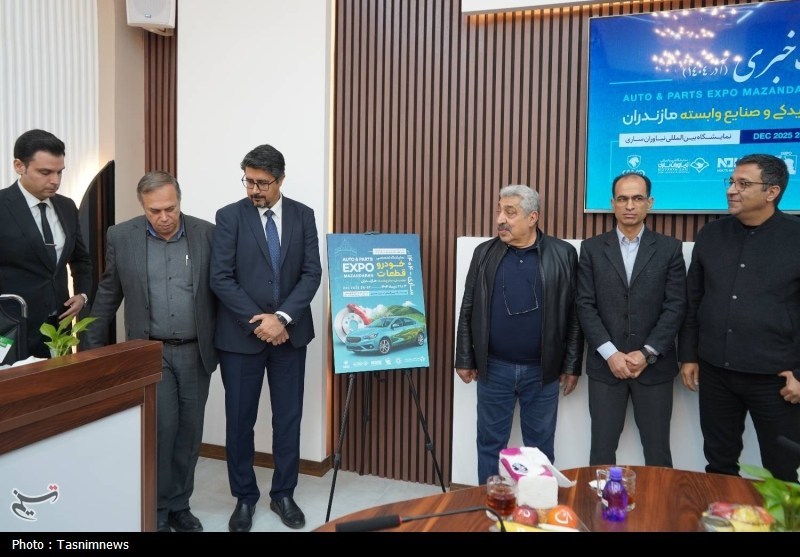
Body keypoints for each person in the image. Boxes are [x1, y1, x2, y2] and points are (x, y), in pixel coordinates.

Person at [85, 171, 217, 532]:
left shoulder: (206, 233)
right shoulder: (121, 236)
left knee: (189, 433)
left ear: (180, 201)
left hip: (195, 352)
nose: (164, 217)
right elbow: (109, 292)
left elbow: (223, 288)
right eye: (154, 211)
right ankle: (156, 509)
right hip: (149, 351)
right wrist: (91, 348)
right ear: (142, 206)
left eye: (170, 208)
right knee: (161, 431)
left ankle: (180, 506)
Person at [210, 144, 322, 531]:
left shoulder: (303, 215)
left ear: (281, 179)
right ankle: (244, 497)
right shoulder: (229, 217)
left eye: (263, 183)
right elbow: (221, 277)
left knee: (287, 419)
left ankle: (283, 494)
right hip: (241, 339)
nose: (254, 190)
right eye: (249, 181)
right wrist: (261, 322)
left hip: (290, 336)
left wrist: (283, 318)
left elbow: (311, 273)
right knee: (240, 421)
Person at [678, 153, 800, 482]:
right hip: (715, 372)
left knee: (783, 471)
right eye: (731, 182)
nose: (732, 190)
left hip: (776, 379)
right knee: (719, 465)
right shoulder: (711, 234)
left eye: (743, 184)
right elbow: (694, 299)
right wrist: (688, 355)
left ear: (772, 192)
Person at [454, 184, 583, 485]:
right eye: (499, 211)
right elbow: (469, 306)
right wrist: (464, 358)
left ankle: (537, 506)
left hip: (542, 372)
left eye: (510, 213)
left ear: (532, 217)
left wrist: (572, 365)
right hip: (493, 369)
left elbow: (574, 314)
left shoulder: (563, 254)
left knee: (540, 450)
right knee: (490, 444)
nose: (501, 219)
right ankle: (492, 504)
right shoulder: (484, 253)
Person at [576, 173, 686, 467]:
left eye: (637, 198)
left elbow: (675, 306)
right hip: (606, 367)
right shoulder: (591, 248)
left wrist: (647, 353)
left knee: (658, 451)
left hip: (654, 368)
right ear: (612, 203)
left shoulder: (669, 249)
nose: (629, 206)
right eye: (623, 199)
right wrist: (610, 354)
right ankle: (601, 499)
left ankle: (659, 500)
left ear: (649, 203)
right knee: (601, 450)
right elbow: (584, 305)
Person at [0, 129, 92, 359]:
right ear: (19, 166)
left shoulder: (67, 207)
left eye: (60, 172)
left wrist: (82, 294)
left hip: (59, 328)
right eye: (45, 172)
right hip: (11, 329)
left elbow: (81, 260)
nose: (55, 181)